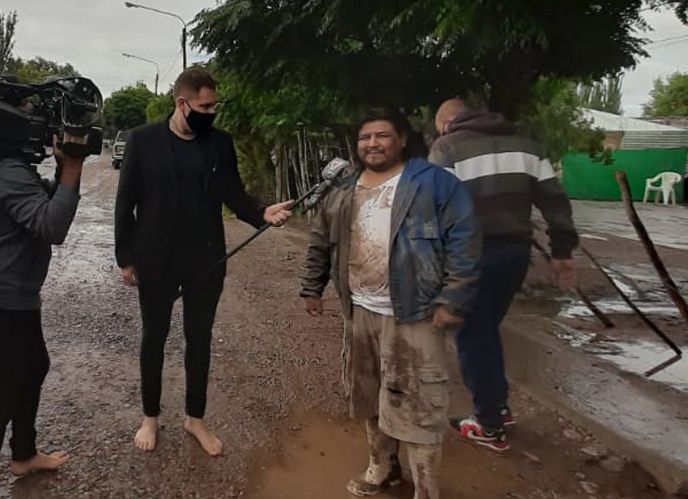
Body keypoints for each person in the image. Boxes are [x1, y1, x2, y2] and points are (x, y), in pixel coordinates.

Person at [302, 108, 480, 499]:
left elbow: (465, 242)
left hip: (415, 312)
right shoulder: (344, 188)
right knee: (369, 395)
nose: (373, 143)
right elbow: (320, 240)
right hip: (360, 310)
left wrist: (454, 297)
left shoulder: (433, 183)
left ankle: (426, 489)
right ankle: (383, 468)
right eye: (365, 137)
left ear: (401, 138)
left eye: (382, 135)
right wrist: (312, 288)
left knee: (419, 404)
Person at [114, 68, 292, 457]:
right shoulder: (144, 142)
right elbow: (125, 202)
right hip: (155, 258)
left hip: (205, 260)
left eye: (215, 105)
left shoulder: (219, 143)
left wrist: (261, 212)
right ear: (182, 103)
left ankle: (195, 418)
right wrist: (125, 258)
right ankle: (150, 417)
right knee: (154, 338)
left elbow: (234, 194)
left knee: (199, 339)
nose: (212, 112)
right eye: (205, 106)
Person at [430, 98, 579, 452]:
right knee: (485, 328)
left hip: (470, 256)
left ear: (448, 120)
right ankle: (497, 407)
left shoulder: (447, 147)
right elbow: (555, 199)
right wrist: (561, 250)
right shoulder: (526, 144)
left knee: (471, 334)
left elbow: (434, 207)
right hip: (515, 255)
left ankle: (489, 424)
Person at [0, 122, 86, 499]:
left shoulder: (5, 165)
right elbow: (52, 226)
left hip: (15, 297)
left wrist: (64, 169)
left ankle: (23, 455)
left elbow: (43, 202)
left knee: (35, 366)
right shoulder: (4, 170)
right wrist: (73, 168)